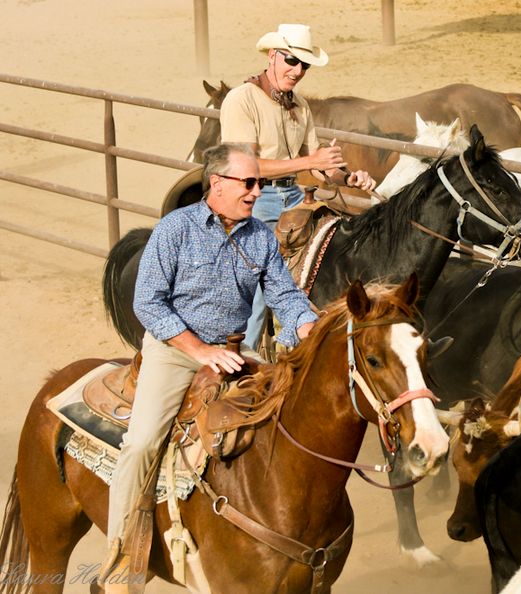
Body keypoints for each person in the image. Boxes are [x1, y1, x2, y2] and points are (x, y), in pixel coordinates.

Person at [100, 143, 318, 591]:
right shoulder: (175, 229)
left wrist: (308, 323)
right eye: (250, 183)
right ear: (217, 183)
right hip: (174, 349)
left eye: (261, 183)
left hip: (235, 352)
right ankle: (120, 562)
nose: (258, 192)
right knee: (140, 444)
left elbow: (284, 294)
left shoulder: (260, 235)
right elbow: (148, 303)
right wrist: (199, 350)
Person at [220, 23, 376, 350]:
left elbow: (319, 167)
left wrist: (348, 178)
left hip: (293, 198)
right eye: (292, 61)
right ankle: (242, 359)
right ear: (273, 56)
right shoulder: (241, 100)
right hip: (251, 199)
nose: (298, 71)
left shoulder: (299, 105)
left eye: (304, 65)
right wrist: (309, 163)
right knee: (263, 281)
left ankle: (298, 348)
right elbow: (246, 166)